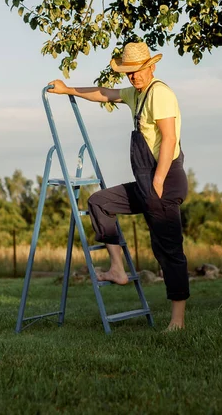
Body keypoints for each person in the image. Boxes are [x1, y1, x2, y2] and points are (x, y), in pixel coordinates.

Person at [48, 41, 189, 330]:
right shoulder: (136, 94)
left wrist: (159, 180)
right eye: (128, 72)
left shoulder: (159, 93)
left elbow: (169, 139)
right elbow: (105, 93)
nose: (133, 76)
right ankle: (116, 268)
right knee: (99, 202)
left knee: (168, 251)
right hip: (146, 183)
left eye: (137, 71)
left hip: (165, 181)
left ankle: (178, 321)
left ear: (151, 66)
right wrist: (68, 90)